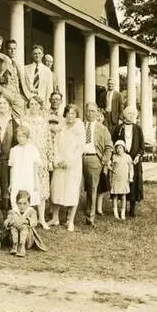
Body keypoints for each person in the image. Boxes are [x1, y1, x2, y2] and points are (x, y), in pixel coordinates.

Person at [49, 104, 84, 232]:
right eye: (68, 113)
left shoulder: (79, 128)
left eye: (73, 114)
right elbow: (55, 144)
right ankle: (55, 218)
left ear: (76, 115)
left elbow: (80, 148)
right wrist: (58, 159)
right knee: (57, 188)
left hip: (73, 164)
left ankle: (70, 220)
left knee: (72, 190)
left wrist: (69, 161)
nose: (70, 116)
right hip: (60, 162)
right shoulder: (61, 127)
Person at [23, 96, 54, 227]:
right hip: (28, 158)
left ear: (40, 106)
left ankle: (42, 218)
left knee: (42, 189)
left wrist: (50, 160)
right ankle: (29, 218)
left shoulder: (44, 123)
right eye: (31, 104)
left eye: (36, 104)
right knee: (29, 187)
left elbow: (49, 142)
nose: (34, 107)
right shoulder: (24, 121)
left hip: (42, 159)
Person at [82, 102, 113, 225]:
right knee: (73, 186)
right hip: (78, 158)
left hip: (94, 159)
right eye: (88, 111)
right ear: (85, 112)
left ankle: (90, 217)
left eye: (93, 111)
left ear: (97, 113)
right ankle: (69, 216)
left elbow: (109, 146)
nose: (90, 113)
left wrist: (103, 161)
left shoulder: (102, 128)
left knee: (92, 189)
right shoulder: (80, 126)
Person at [111, 105, 145, 217]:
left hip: (134, 161)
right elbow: (113, 143)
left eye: (134, 114)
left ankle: (132, 208)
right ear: (125, 114)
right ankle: (121, 209)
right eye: (130, 113)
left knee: (133, 183)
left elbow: (142, 146)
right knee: (121, 182)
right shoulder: (118, 128)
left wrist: (138, 156)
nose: (132, 116)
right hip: (121, 161)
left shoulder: (138, 128)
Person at [0, 34, 26, 117]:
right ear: (6, 49)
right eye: (10, 49)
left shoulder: (15, 64)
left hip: (16, 95)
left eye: (14, 49)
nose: (12, 51)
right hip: (4, 94)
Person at [8, 124, 42, 212]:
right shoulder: (14, 150)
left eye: (23, 136)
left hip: (29, 178)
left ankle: (27, 220)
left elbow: (35, 168)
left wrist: (35, 182)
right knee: (15, 197)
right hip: (17, 178)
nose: (21, 138)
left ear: (27, 137)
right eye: (19, 136)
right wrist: (11, 183)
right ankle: (16, 218)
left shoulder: (32, 149)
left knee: (28, 198)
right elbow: (12, 168)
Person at [0, 95, 17, 211]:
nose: (1, 105)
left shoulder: (14, 121)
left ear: (9, 106)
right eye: (0, 103)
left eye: (4, 103)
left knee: (6, 182)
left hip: (8, 157)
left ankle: (6, 208)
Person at [4, 190, 37, 257]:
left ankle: (22, 247)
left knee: (24, 225)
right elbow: (6, 222)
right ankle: (15, 245)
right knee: (14, 222)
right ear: (16, 203)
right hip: (13, 238)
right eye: (20, 203)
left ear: (29, 203)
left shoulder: (31, 211)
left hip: (27, 239)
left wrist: (26, 221)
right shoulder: (13, 212)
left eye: (25, 203)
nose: (22, 206)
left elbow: (34, 222)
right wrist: (14, 223)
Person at [109, 140, 134, 221]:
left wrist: (131, 177)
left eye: (120, 147)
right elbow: (109, 166)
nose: (119, 149)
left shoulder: (128, 157)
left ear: (124, 148)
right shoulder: (114, 157)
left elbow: (131, 168)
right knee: (115, 196)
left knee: (123, 196)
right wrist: (110, 168)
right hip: (116, 178)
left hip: (124, 179)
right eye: (117, 148)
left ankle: (122, 214)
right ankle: (115, 213)